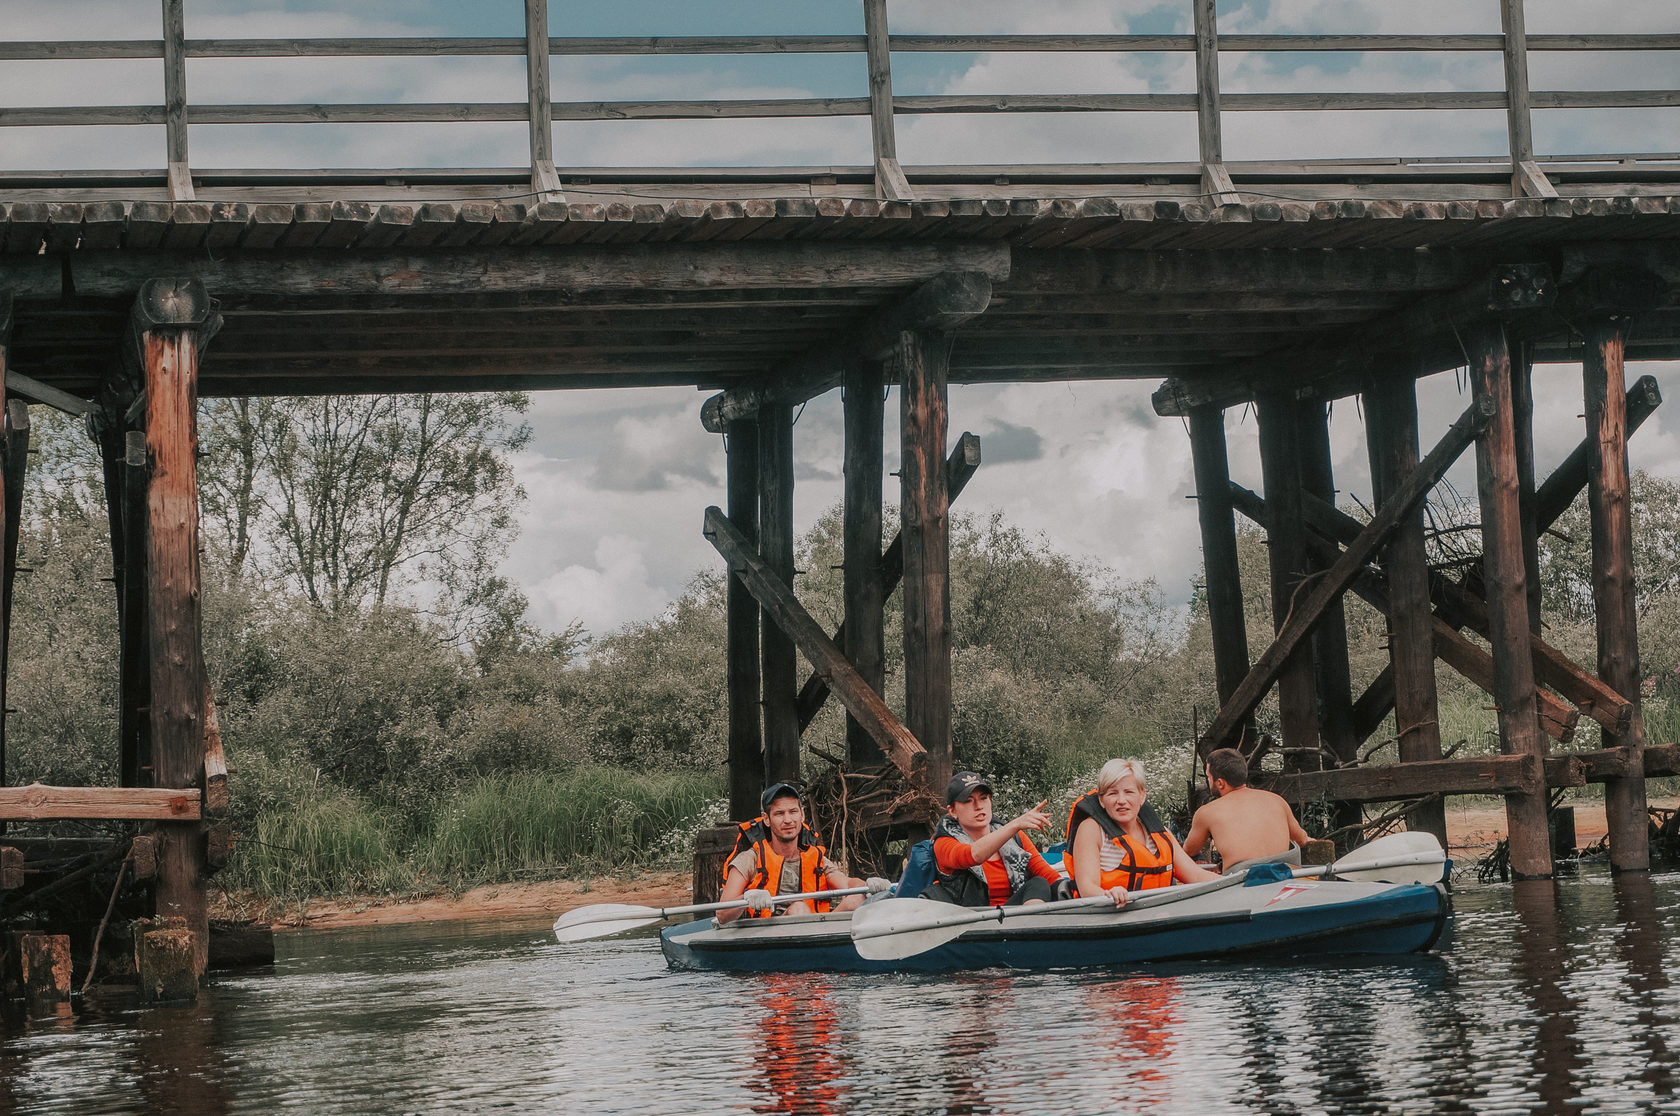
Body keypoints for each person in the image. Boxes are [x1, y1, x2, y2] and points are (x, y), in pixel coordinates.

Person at [1067, 758, 1218, 907]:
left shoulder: (1160, 833)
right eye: (1112, 793)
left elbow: (1196, 875)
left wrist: (1232, 881)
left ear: (1142, 796)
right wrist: (1109, 894)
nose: (1121, 800)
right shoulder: (1091, 830)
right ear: (1101, 800)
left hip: (1158, 915)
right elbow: (1087, 888)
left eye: (1129, 792)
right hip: (1111, 917)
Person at [717, 782, 866, 923]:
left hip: (817, 930)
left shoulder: (816, 858)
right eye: (779, 814)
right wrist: (747, 898)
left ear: (802, 815)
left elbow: (848, 883)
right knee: (798, 908)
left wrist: (865, 885)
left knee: (857, 897)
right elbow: (722, 914)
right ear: (767, 819)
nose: (788, 820)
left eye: (793, 812)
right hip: (768, 937)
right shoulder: (749, 859)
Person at [922, 772, 1065, 908]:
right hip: (974, 922)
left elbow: (1048, 875)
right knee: (1038, 884)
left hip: (1012, 918)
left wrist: (1072, 891)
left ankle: (1029, 930)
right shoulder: (944, 842)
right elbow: (974, 855)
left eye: (983, 798)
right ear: (952, 811)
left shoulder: (1016, 837)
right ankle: (1028, 929)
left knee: (1040, 883)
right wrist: (1015, 824)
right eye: (968, 801)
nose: (978, 806)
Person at [1183, 748, 1312, 871]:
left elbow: (1189, 851)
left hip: (1244, 880)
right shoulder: (1276, 800)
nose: (1208, 781)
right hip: (1286, 874)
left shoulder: (1206, 812)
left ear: (1220, 783)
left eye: (1209, 777)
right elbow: (1301, 840)